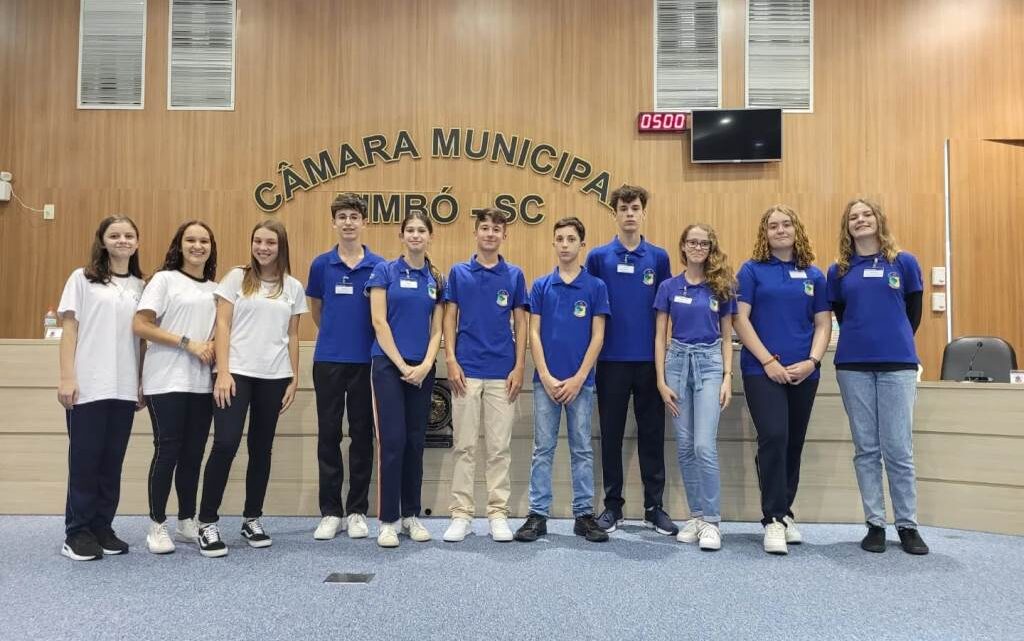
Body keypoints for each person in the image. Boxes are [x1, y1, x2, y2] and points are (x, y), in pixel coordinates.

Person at [196, 220, 307, 558]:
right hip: (237, 374)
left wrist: (294, 377)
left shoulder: (292, 287)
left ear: (281, 246)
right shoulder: (236, 278)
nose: (263, 247)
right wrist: (223, 372)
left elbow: (293, 335)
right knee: (226, 443)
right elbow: (223, 324)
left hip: (274, 376)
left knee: (262, 449)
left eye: (270, 242)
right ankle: (207, 522)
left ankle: (252, 518)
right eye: (257, 241)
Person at [827, 198, 929, 555]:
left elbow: (912, 313)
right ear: (847, 227)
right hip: (853, 365)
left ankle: (907, 524)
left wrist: (893, 341)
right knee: (866, 449)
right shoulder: (838, 270)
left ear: (879, 220)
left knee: (899, 449)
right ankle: (874, 523)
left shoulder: (904, 262)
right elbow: (841, 313)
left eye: (866, 214)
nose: (860, 220)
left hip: (897, 364)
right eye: (853, 217)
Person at [732, 206, 831, 555]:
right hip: (762, 371)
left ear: (796, 228)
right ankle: (772, 519)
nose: (780, 230)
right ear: (765, 233)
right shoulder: (751, 271)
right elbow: (740, 321)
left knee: (793, 442)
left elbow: (823, 324)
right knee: (773, 436)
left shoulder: (815, 275)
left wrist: (812, 361)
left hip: (805, 371)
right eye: (773, 225)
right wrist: (768, 361)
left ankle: (786, 511)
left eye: (786, 223)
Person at [584, 184, 675, 536]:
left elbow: (665, 311)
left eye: (635, 207)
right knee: (611, 435)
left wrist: (664, 357)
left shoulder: (659, 257)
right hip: (610, 361)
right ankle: (612, 506)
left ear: (643, 212)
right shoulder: (598, 258)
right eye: (623, 208)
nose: (630, 213)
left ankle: (654, 507)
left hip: (650, 361)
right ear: (615, 213)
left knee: (653, 434)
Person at [515, 216, 611, 544]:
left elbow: (598, 337)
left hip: (581, 384)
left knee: (583, 448)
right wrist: (545, 374)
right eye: (560, 239)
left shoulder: (595, 287)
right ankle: (537, 515)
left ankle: (584, 515)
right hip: (547, 382)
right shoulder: (541, 285)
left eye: (572, 239)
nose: (566, 244)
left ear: (581, 243)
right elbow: (533, 332)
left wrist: (578, 378)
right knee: (543, 448)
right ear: (553, 243)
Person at [57, 215, 145, 561]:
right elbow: (69, 330)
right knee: (85, 461)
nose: (122, 240)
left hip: (124, 388)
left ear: (137, 242)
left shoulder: (141, 285)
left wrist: (140, 382)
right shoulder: (82, 279)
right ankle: (76, 532)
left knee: (112, 462)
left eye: (129, 235)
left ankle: (101, 526)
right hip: (89, 386)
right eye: (115, 235)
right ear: (103, 240)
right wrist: (67, 377)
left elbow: (141, 341)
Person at [441, 208, 528, 543]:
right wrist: (449, 358)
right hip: (466, 370)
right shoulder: (459, 273)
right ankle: (461, 514)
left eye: (496, 229)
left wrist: (519, 366)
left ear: (504, 235)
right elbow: (449, 318)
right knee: (463, 446)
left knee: (498, 448)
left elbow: (521, 323)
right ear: (476, 233)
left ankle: (497, 513)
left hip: (502, 372)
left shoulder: (515, 275)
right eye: (485, 228)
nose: (490, 234)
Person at [133, 220, 218, 554]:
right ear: (179, 245)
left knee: (193, 454)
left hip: (200, 383)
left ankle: (186, 521)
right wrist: (188, 343)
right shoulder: (164, 280)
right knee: (167, 449)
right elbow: (140, 325)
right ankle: (157, 525)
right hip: (165, 379)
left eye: (204, 241)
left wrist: (209, 344)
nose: (198, 246)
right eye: (191, 240)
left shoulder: (214, 288)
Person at [307, 194, 384, 541]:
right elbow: (317, 312)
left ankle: (356, 511)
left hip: (366, 362)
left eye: (354, 216)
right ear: (334, 223)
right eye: (342, 217)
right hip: (328, 361)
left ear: (364, 222)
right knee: (329, 436)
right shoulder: (321, 265)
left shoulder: (379, 266)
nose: (349, 222)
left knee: (362, 437)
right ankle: (330, 512)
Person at [654, 223, 736, 551]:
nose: (698, 247)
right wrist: (660, 380)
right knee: (685, 447)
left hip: (709, 363)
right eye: (692, 242)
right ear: (683, 247)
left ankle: (713, 521)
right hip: (676, 364)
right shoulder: (668, 287)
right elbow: (660, 335)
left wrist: (728, 376)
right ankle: (696, 515)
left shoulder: (721, 286)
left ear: (710, 247)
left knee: (704, 445)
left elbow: (728, 335)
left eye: (704, 243)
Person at [366, 211, 444, 548]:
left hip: (421, 370)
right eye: (409, 230)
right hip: (387, 366)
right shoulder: (385, 271)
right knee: (392, 441)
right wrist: (401, 364)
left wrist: (426, 363)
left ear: (430, 236)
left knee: (415, 442)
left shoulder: (436, 278)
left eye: (421, 230)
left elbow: (438, 328)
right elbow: (379, 323)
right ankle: (388, 520)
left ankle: (411, 516)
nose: (415, 235)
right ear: (402, 236)